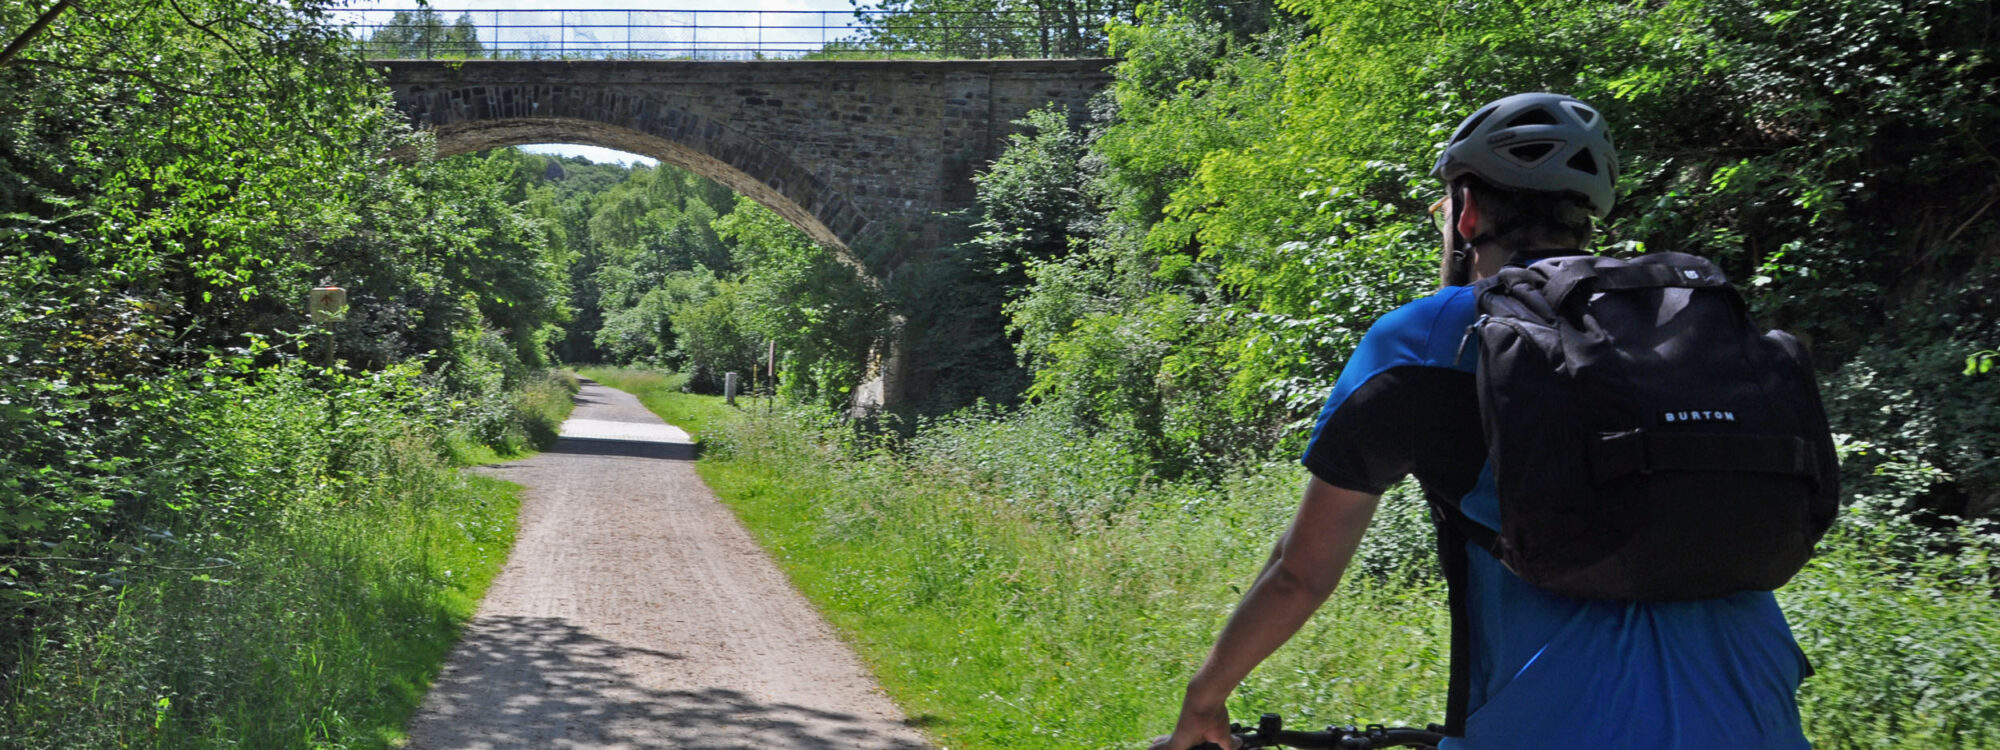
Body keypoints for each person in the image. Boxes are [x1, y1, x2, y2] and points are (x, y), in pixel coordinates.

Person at [1149, 93, 1813, 750]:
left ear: (1465, 213)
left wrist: (1203, 701)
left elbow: (1300, 573)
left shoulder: (1428, 337)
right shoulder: (1673, 328)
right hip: (1759, 708)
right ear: (1585, 219)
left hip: (1552, 724)